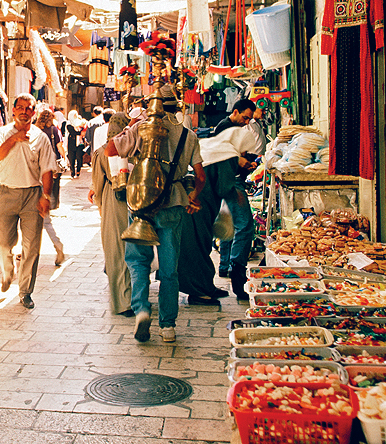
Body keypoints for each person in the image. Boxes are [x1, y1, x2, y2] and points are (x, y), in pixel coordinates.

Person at [106, 90, 205, 343]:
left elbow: (109, 150)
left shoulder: (140, 128)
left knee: (138, 262)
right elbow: (200, 177)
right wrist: (194, 197)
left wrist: (128, 128)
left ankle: (141, 310)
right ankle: (168, 326)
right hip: (173, 205)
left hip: (141, 205)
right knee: (170, 269)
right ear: (176, 108)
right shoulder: (188, 135)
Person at [0, 93, 55, 309]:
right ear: (13, 110)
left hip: (32, 196)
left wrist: (46, 196)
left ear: (34, 113)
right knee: (3, 241)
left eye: (29, 108)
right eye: (20, 107)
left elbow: (47, 169)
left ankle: (25, 291)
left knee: (31, 247)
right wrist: (14, 139)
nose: (24, 111)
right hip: (7, 193)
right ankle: (7, 270)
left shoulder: (41, 138)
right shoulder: (3, 133)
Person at [178, 127, 260, 304]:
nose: (244, 153)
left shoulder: (214, 145)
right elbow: (223, 187)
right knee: (197, 246)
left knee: (201, 245)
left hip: (194, 202)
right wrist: (235, 193)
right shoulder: (228, 154)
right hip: (198, 206)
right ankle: (199, 293)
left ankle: (207, 286)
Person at [210, 98, 258, 286]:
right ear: (236, 112)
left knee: (229, 224)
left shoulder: (235, 127)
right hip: (230, 181)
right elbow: (223, 152)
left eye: (249, 120)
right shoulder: (225, 126)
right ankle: (237, 268)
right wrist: (241, 161)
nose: (247, 122)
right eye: (245, 118)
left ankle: (225, 266)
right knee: (245, 226)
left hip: (228, 181)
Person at [88, 112, 132, 316]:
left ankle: (121, 302)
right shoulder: (132, 150)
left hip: (112, 204)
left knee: (115, 253)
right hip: (133, 202)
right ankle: (131, 297)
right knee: (131, 252)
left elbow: (97, 184)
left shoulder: (101, 152)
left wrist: (100, 206)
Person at [33, 106, 66, 266]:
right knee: (45, 219)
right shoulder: (54, 130)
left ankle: (26, 252)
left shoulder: (36, 132)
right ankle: (57, 244)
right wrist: (65, 157)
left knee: (31, 219)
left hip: (33, 177)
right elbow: (59, 146)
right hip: (48, 173)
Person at [63, 110, 86, 178]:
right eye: (74, 115)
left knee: (79, 157)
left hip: (79, 143)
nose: (76, 116)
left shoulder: (80, 122)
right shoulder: (68, 124)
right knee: (71, 157)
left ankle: (78, 171)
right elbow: (72, 132)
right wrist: (80, 133)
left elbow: (84, 129)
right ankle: (72, 171)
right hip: (71, 142)